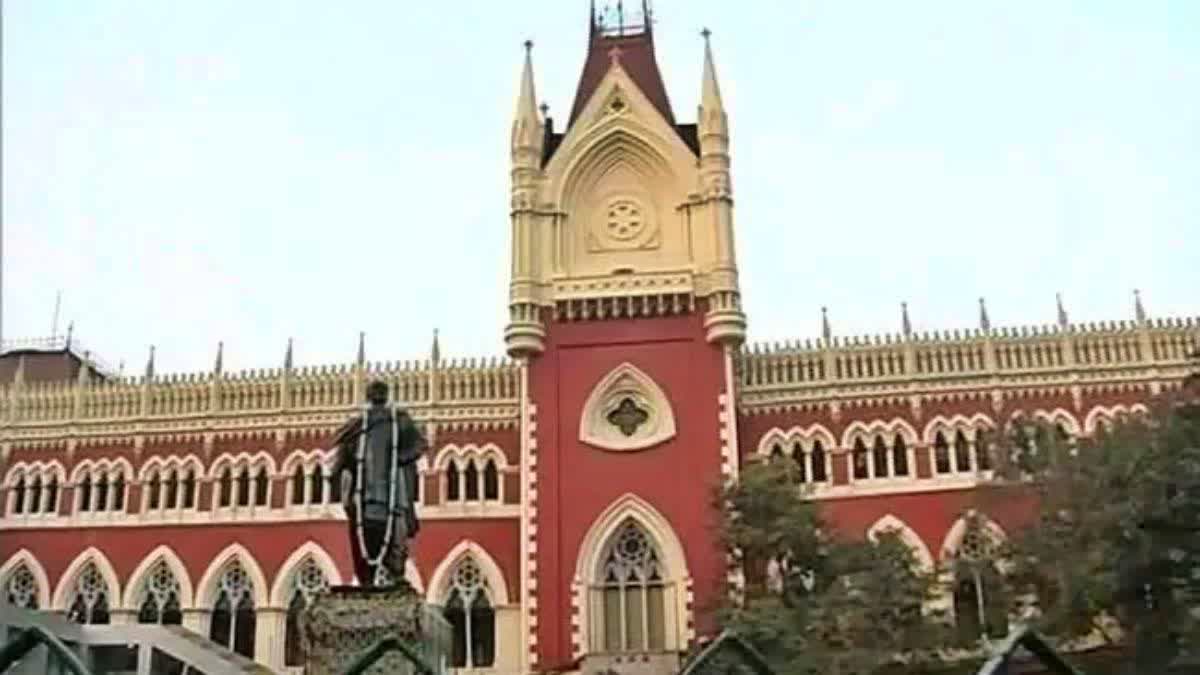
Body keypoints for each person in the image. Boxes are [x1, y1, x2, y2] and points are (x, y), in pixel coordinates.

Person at [331, 380, 426, 587]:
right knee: (364, 532)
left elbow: (419, 445)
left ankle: (396, 574)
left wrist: (399, 458)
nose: (378, 395)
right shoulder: (359, 424)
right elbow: (341, 457)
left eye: (381, 391)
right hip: (365, 491)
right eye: (375, 391)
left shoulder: (399, 420)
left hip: (393, 490)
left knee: (396, 529)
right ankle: (367, 579)